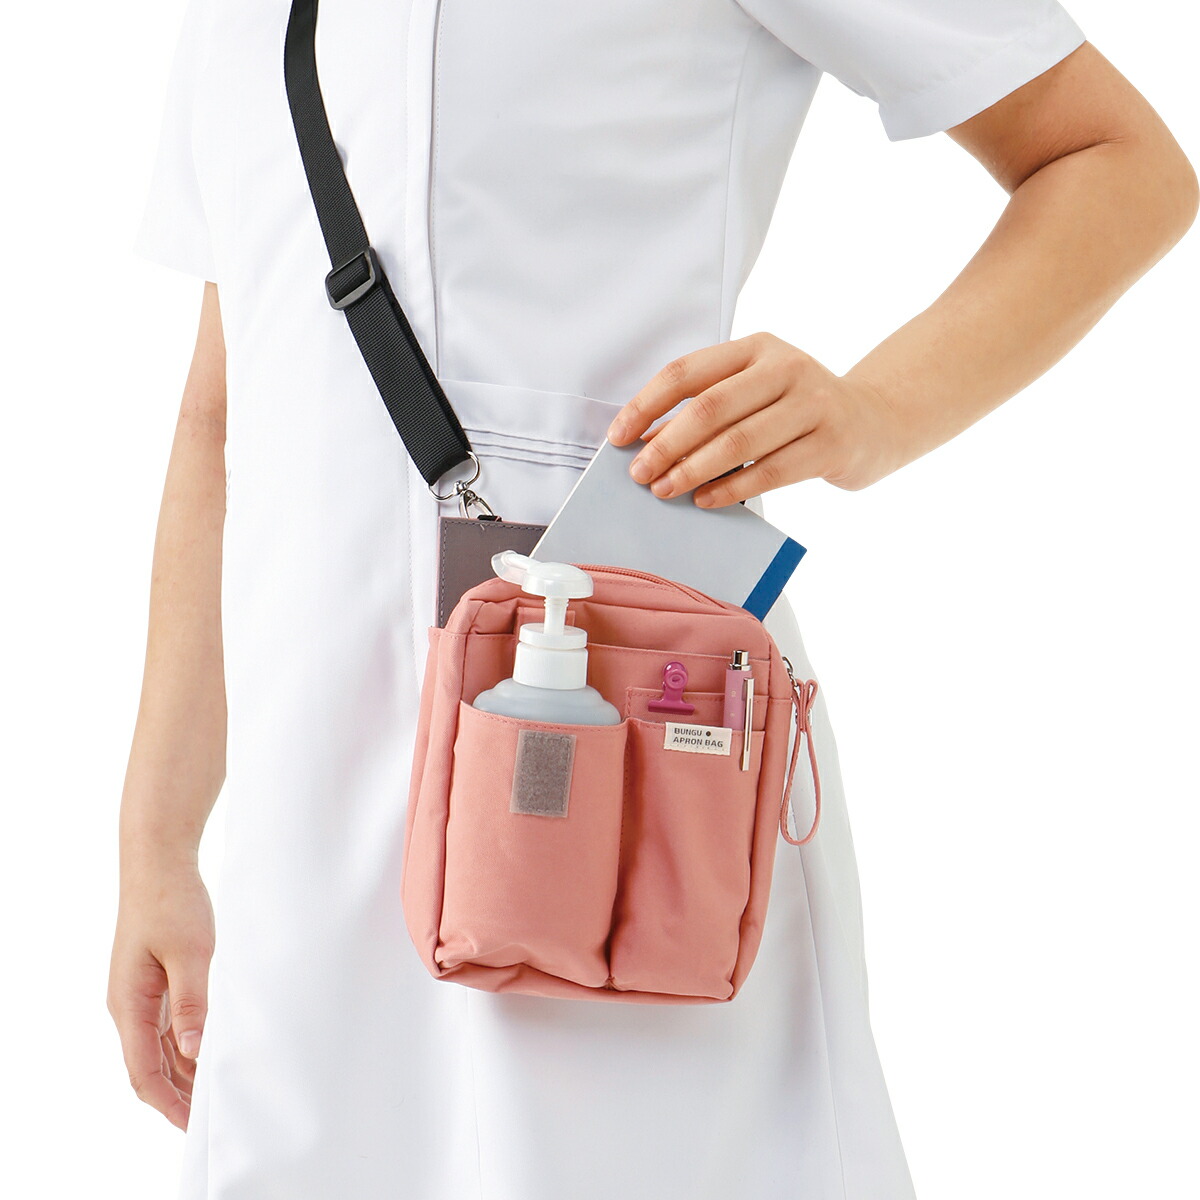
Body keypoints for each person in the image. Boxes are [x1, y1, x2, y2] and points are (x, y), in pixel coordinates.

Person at [107, 0, 1196, 1197]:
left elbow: (1113, 159)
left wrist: (877, 412)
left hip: (622, 751)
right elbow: (223, 418)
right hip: (305, 827)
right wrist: (157, 848)